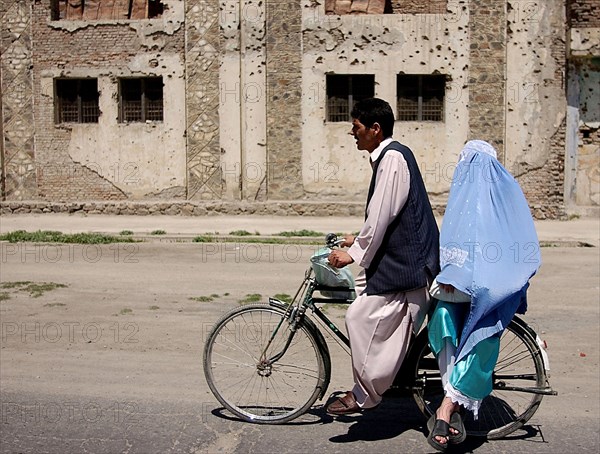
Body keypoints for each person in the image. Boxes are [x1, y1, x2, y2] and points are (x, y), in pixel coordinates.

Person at [325, 97, 440, 415]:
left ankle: (366, 394)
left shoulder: (392, 158)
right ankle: (380, 383)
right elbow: (388, 217)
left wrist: (353, 253)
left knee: (358, 317)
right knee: (368, 315)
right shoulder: (390, 157)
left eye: (357, 126)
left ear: (375, 129)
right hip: (405, 265)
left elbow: (381, 215)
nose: (352, 133)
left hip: (410, 270)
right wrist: (354, 239)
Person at [425, 140, 541, 451]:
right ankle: (454, 398)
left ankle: (447, 408)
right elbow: (456, 243)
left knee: (483, 333)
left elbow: (518, 246)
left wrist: (493, 283)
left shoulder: (505, 195)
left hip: (494, 293)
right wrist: (453, 275)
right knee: (442, 320)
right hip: (458, 291)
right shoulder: (463, 198)